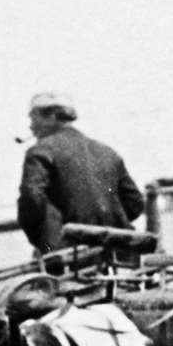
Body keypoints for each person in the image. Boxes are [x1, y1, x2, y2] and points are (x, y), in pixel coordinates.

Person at [17, 92, 144, 256]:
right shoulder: (107, 152)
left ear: (52, 117)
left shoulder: (40, 151)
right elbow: (135, 203)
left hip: (69, 255)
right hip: (116, 251)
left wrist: (43, 239)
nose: (31, 127)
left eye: (34, 119)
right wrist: (109, 225)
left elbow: (31, 198)